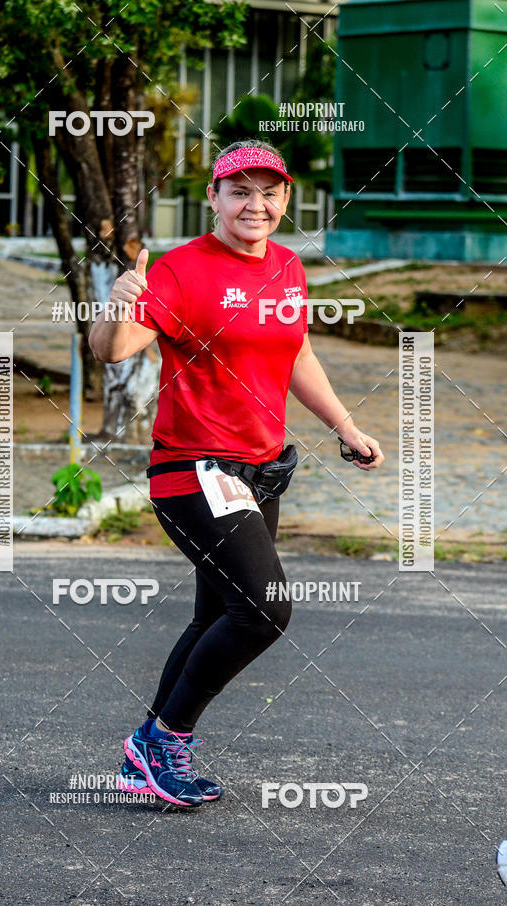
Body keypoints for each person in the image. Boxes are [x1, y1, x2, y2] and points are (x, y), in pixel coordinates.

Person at [89, 139, 384, 808]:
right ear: (215, 199)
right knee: (261, 607)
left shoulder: (285, 268)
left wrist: (345, 426)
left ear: (285, 200)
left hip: (257, 468)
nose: (256, 204)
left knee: (221, 611)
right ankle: (165, 740)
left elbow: (296, 351)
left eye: (269, 192)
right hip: (192, 466)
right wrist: (119, 300)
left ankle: (145, 754)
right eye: (240, 191)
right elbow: (114, 351)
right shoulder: (182, 269)